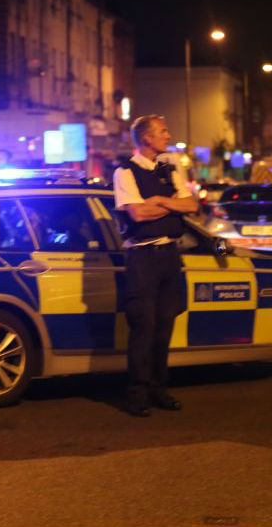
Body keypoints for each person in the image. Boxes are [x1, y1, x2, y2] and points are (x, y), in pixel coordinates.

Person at [113, 114, 198, 417]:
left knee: (164, 326)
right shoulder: (125, 172)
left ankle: (159, 388)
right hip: (143, 258)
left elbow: (190, 205)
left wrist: (158, 200)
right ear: (147, 138)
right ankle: (137, 394)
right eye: (163, 131)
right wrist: (169, 203)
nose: (168, 134)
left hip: (169, 257)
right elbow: (136, 214)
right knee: (143, 328)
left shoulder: (170, 168)